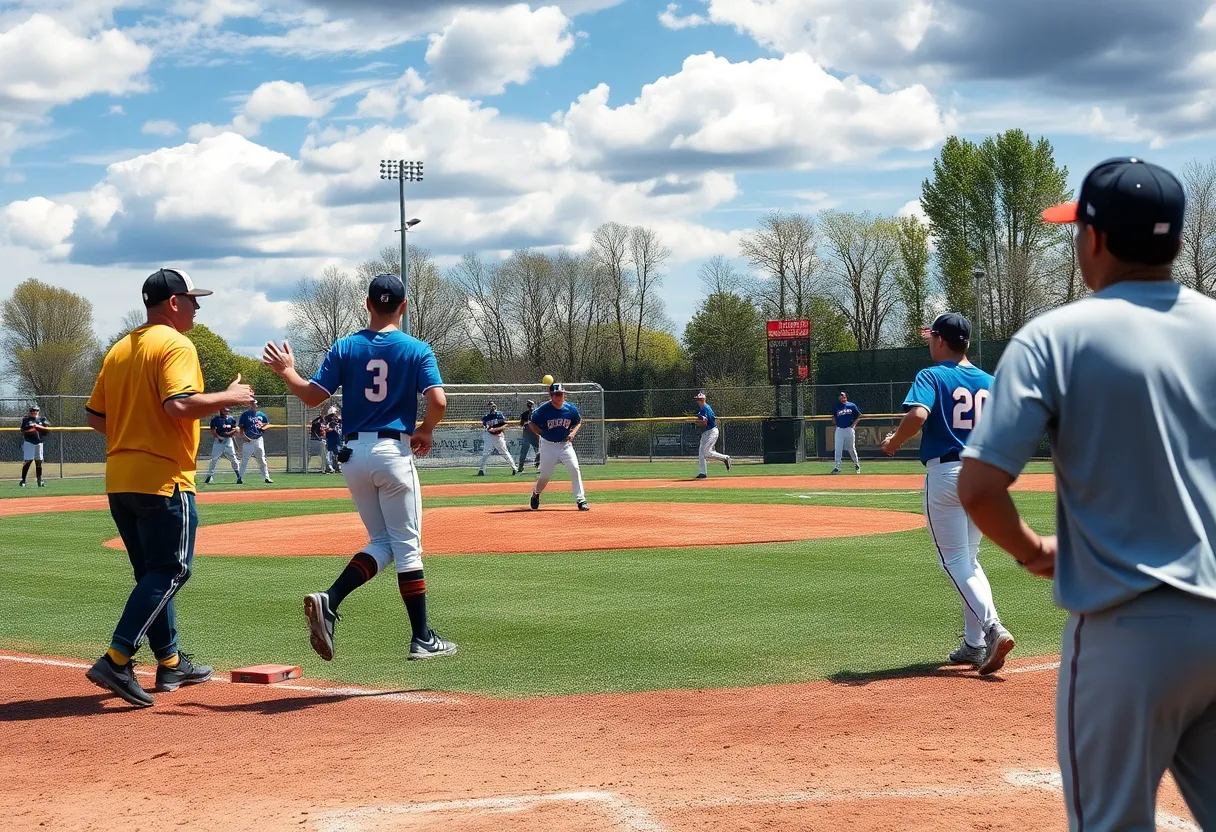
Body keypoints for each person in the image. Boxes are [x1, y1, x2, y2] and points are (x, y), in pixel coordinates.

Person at [957, 157, 1216, 831]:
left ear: (1092, 241)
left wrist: (1032, 551)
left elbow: (980, 485)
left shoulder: (1056, 336)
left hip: (1125, 632)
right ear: (1179, 245)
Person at [83, 267, 255, 708]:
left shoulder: (120, 349)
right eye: (192, 300)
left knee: (152, 573)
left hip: (120, 477)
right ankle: (117, 658)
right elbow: (179, 405)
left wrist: (134, 432)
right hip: (162, 478)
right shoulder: (176, 343)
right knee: (172, 570)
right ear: (173, 304)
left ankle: (172, 662)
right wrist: (228, 398)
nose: (197, 307)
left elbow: (95, 417)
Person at [263, 273, 456, 662]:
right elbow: (439, 400)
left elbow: (314, 396)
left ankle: (330, 600)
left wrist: (287, 371)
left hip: (352, 456)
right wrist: (426, 430)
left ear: (367, 304)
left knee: (383, 542)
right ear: (403, 307)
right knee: (408, 546)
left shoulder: (345, 347)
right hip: (393, 451)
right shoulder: (417, 348)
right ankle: (422, 638)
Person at [879, 312, 1014, 676]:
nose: (928, 342)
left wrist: (894, 441)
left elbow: (919, 415)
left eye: (930, 337)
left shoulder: (932, 375)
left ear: (940, 340)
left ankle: (992, 628)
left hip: (950, 474)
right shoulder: (990, 380)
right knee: (969, 559)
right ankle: (974, 645)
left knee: (953, 561)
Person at [529, 382, 588, 511]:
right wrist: (540, 433)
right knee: (545, 476)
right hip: (548, 445)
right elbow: (531, 424)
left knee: (575, 469)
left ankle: (581, 500)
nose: (559, 397)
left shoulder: (571, 409)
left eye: (561, 394)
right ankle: (536, 493)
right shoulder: (543, 410)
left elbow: (578, 422)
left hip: (565, 445)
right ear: (551, 396)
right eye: (556, 394)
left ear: (564, 394)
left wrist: (573, 432)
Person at [693, 391, 731, 479]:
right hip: (706, 433)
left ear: (703, 400)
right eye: (698, 399)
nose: (698, 401)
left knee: (706, 452)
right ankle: (703, 473)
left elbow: (705, 422)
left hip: (711, 432)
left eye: (700, 399)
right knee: (701, 452)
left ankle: (725, 458)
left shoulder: (705, 408)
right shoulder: (703, 409)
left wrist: (696, 423)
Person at [478, 400, 517, 476]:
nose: (492, 407)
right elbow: (485, 426)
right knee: (486, 453)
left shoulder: (499, 415)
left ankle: (514, 468)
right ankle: (482, 470)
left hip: (498, 436)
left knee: (504, 452)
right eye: (490, 406)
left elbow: (505, 425)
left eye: (493, 406)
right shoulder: (486, 417)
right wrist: (489, 428)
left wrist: (497, 429)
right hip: (489, 436)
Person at [237, 401, 272, 484]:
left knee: (262, 459)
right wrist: (243, 437)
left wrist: (264, 427)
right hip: (249, 440)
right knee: (245, 460)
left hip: (258, 439)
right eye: (252, 403)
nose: (254, 405)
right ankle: (240, 478)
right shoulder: (245, 415)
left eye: (255, 403)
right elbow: (241, 427)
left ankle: (266, 477)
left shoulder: (261, 414)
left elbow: (267, 424)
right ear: (249, 405)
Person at [203, 407, 240, 484]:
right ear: (221, 411)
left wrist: (236, 443)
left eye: (227, 411)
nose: (226, 412)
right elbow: (213, 431)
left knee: (234, 459)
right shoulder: (216, 419)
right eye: (225, 411)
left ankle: (239, 476)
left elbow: (232, 433)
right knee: (214, 459)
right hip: (219, 441)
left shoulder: (231, 419)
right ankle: (209, 476)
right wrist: (218, 437)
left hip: (228, 441)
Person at [831, 391, 862, 474]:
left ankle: (857, 464)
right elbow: (833, 416)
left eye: (843, 395)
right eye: (840, 396)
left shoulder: (851, 405)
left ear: (846, 397)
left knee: (851, 448)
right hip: (839, 429)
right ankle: (837, 467)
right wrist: (835, 422)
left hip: (849, 429)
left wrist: (854, 425)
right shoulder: (836, 406)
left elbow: (859, 415)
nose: (841, 397)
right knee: (838, 449)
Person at [19, 404, 50, 487]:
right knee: (28, 461)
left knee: (39, 461)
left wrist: (37, 426)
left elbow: (47, 430)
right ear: (30, 412)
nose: (34, 413)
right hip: (29, 442)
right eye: (32, 411)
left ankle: (40, 480)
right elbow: (23, 430)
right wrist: (32, 428)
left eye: (36, 411)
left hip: (39, 442)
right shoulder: (26, 419)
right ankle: (23, 480)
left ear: (38, 412)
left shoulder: (42, 419)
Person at [517, 399, 540, 471]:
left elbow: (521, 424)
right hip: (531, 435)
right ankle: (537, 464)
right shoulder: (535, 413)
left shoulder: (535, 413)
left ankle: (521, 466)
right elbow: (522, 424)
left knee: (538, 450)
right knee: (537, 450)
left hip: (532, 434)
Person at [324, 409, 343, 473]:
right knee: (329, 453)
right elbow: (326, 429)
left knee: (339, 453)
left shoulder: (339, 422)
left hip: (338, 440)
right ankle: (330, 467)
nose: (333, 418)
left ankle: (339, 467)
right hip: (330, 440)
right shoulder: (328, 422)